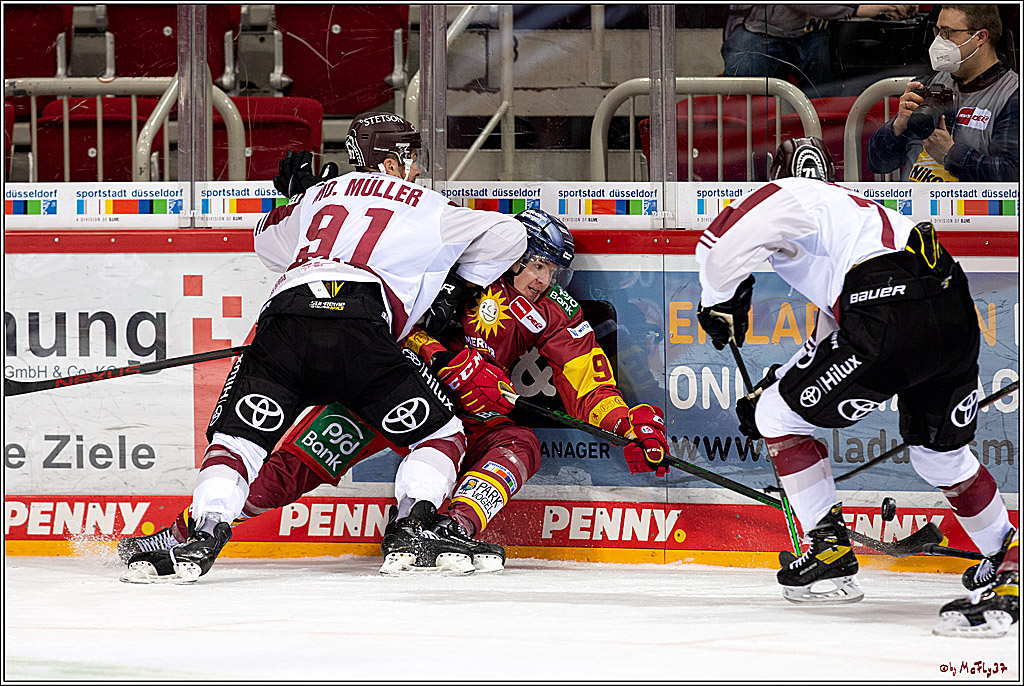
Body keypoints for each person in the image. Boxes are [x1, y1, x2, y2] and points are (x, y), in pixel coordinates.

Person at [119, 210, 672, 576]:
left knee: (519, 444)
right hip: (386, 388)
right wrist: (444, 360)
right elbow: (383, 325)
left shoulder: (553, 310)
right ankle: (196, 527)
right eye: (536, 265)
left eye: (554, 271)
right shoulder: (447, 272)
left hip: (470, 418)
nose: (543, 279)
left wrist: (627, 424)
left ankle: (444, 529)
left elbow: (586, 378)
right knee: (295, 465)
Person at [120, 112, 527, 583]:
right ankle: (415, 528)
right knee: (439, 434)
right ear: (391, 164)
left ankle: (203, 530)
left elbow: (267, 246)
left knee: (238, 441)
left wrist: (293, 200)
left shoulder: (317, 195)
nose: (416, 168)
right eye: (410, 158)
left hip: (285, 320)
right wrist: (452, 277)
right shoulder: (430, 206)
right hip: (360, 325)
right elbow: (511, 237)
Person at [695, 136, 1017, 636]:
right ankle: (1007, 557)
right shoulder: (853, 217)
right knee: (940, 458)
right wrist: (776, 385)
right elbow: (833, 339)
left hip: (886, 306)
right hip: (950, 305)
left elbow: (718, 241)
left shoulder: (789, 193)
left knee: (777, 418)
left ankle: (827, 549)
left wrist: (718, 299)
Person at [867, 5, 1019, 182]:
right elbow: (878, 163)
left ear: (981, 37)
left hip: (965, 208)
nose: (939, 41)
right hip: (910, 205)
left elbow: (1011, 176)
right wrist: (897, 127)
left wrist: (950, 154)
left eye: (948, 33)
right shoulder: (930, 83)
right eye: (938, 31)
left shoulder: (1011, 95)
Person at [722, 5, 918, 98]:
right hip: (760, 29)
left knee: (829, 76)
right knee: (744, 77)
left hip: (815, 34)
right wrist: (858, 9)